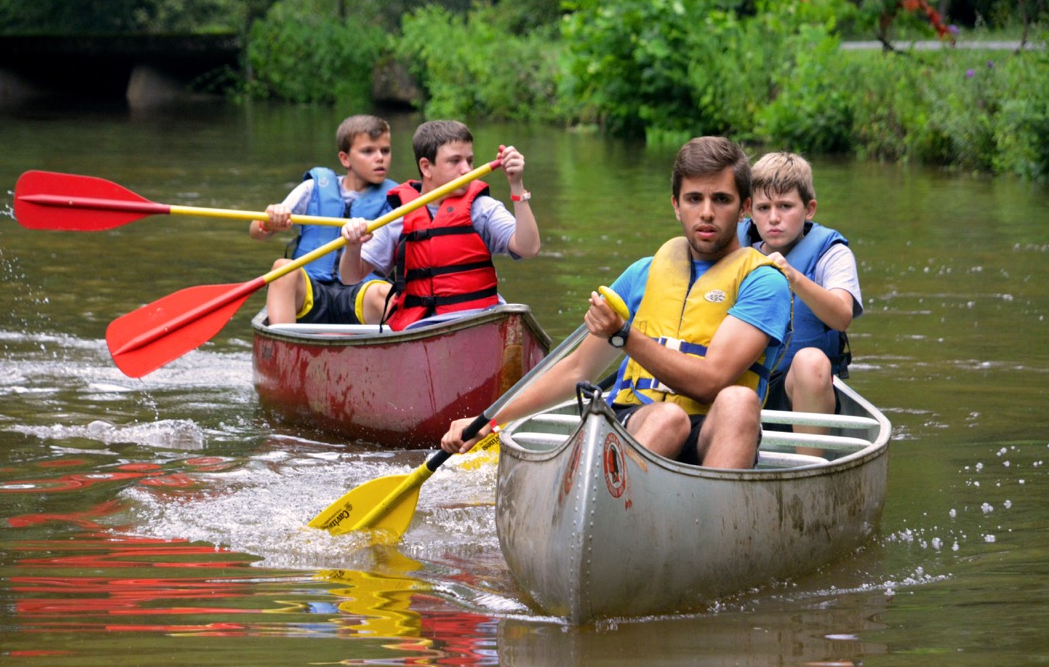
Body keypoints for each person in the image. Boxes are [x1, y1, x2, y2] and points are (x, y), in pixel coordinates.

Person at [442, 136, 792, 470]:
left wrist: (624, 335)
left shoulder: (763, 282)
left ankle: (717, 523)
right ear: (675, 205)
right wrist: (490, 418)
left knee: (740, 401)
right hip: (639, 422)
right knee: (669, 418)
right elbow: (577, 369)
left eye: (721, 199)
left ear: (745, 207)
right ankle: (611, 510)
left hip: (713, 435)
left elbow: (709, 382)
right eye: (694, 199)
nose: (706, 213)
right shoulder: (644, 273)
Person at [338, 120, 540, 331]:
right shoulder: (400, 218)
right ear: (426, 167)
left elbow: (529, 248)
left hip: (481, 320)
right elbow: (350, 277)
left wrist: (517, 185)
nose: (466, 169)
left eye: (469, 161)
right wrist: (353, 246)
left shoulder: (482, 209)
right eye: (455, 161)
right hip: (422, 328)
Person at [739, 152, 863, 450]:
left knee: (812, 361)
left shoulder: (832, 253)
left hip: (797, 390)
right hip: (737, 384)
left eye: (785, 206)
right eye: (763, 207)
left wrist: (793, 276)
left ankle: (810, 463)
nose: (773, 218)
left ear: (809, 209)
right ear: (749, 211)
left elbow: (841, 316)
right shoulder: (732, 247)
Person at [249, 114, 398, 326]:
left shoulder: (398, 199)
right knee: (282, 268)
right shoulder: (314, 188)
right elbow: (255, 232)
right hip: (311, 290)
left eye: (385, 150)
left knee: (390, 294)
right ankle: (285, 349)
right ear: (345, 158)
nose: (380, 157)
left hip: (362, 295)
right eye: (368, 151)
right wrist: (269, 222)